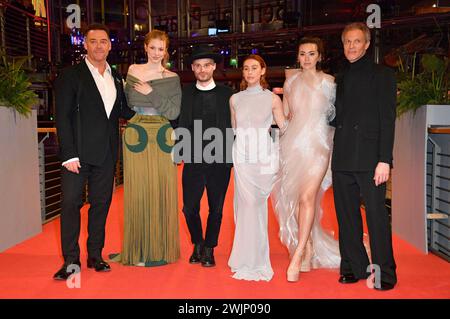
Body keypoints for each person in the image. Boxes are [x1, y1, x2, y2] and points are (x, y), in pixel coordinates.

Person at [53, 24, 136, 280]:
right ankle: (70, 261)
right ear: (86, 45)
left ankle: (95, 255)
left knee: (101, 205)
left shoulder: (117, 77)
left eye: (103, 41)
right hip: (76, 155)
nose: (99, 45)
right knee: (70, 205)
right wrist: (68, 154)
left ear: (110, 46)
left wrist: (151, 101)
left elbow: (123, 112)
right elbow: (62, 117)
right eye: (93, 41)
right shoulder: (71, 75)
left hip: (107, 154)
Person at [331, 22, 397, 291]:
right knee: (346, 216)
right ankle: (352, 267)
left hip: (371, 159)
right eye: (347, 41)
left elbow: (388, 119)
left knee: (376, 217)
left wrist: (385, 159)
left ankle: (385, 275)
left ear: (367, 44)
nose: (351, 46)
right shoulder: (341, 76)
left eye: (357, 41)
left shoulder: (383, 75)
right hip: (343, 155)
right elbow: (337, 117)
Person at [271, 37, 341, 282]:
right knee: (297, 199)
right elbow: (287, 116)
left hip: (319, 145)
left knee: (306, 197)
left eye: (312, 54)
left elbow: (334, 115)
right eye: (302, 54)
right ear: (298, 57)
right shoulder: (290, 83)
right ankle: (308, 245)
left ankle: (298, 255)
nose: (307, 58)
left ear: (319, 56)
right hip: (293, 146)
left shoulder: (329, 83)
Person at [110, 30, 181, 266]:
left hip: (162, 132)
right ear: (146, 48)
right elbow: (131, 102)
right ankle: (137, 249)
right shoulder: (133, 70)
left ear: (165, 50)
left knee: (161, 187)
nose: (157, 53)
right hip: (136, 130)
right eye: (153, 48)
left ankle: (159, 249)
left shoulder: (172, 76)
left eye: (161, 49)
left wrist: (151, 92)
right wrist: (157, 99)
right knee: (137, 188)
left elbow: (173, 112)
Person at [228, 55, 286, 281]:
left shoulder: (272, 99)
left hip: (263, 157)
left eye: (254, 68)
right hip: (241, 156)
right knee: (245, 206)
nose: (250, 72)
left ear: (263, 70)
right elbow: (235, 128)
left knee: (257, 206)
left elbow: (283, 127)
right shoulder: (234, 99)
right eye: (246, 68)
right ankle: (243, 257)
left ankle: (257, 259)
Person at [175, 46, 233, 267]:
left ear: (213, 67)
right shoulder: (186, 93)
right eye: (197, 66)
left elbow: (238, 123)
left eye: (206, 65)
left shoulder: (227, 94)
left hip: (220, 159)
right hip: (193, 159)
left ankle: (209, 249)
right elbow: (177, 120)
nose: (202, 69)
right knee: (189, 208)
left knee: (216, 209)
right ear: (192, 68)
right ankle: (198, 243)